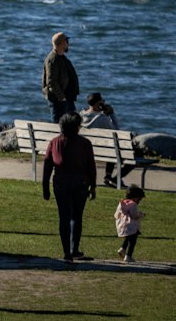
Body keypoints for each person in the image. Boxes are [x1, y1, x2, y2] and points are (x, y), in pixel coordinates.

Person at [42, 110, 97, 265]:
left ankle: (67, 251)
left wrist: (45, 187)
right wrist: (93, 186)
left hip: (61, 184)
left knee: (64, 217)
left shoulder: (54, 142)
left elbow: (47, 165)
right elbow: (90, 167)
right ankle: (74, 249)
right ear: (77, 127)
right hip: (80, 184)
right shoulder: (85, 144)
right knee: (76, 217)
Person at [81, 91, 119, 186]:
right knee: (113, 147)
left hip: (83, 149)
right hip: (100, 150)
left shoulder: (80, 115)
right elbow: (117, 131)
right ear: (99, 104)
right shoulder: (102, 119)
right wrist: (111, 114)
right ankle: (108, 176)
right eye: (103, 101)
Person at [42, 33, 79, 121]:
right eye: (67, 41)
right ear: (62, 43)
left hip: (67, 99)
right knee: (59, 126)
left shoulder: (61, 58)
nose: (68, 44)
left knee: (72, 124)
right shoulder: (53, 59)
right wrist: (61, 98)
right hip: (59, 101)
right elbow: (51, 82)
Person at [114, 184, 145, 262]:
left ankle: (122, 249)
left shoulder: (122, 203)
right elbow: (134, 215)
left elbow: (116, 214)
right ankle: (128, 256)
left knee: (128, 237)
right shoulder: (133, 204)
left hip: (122, 224)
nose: (139, 201)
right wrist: (141, 214)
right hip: (131, 225)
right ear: (135, 197)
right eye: (139, 199)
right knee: (132, 241)